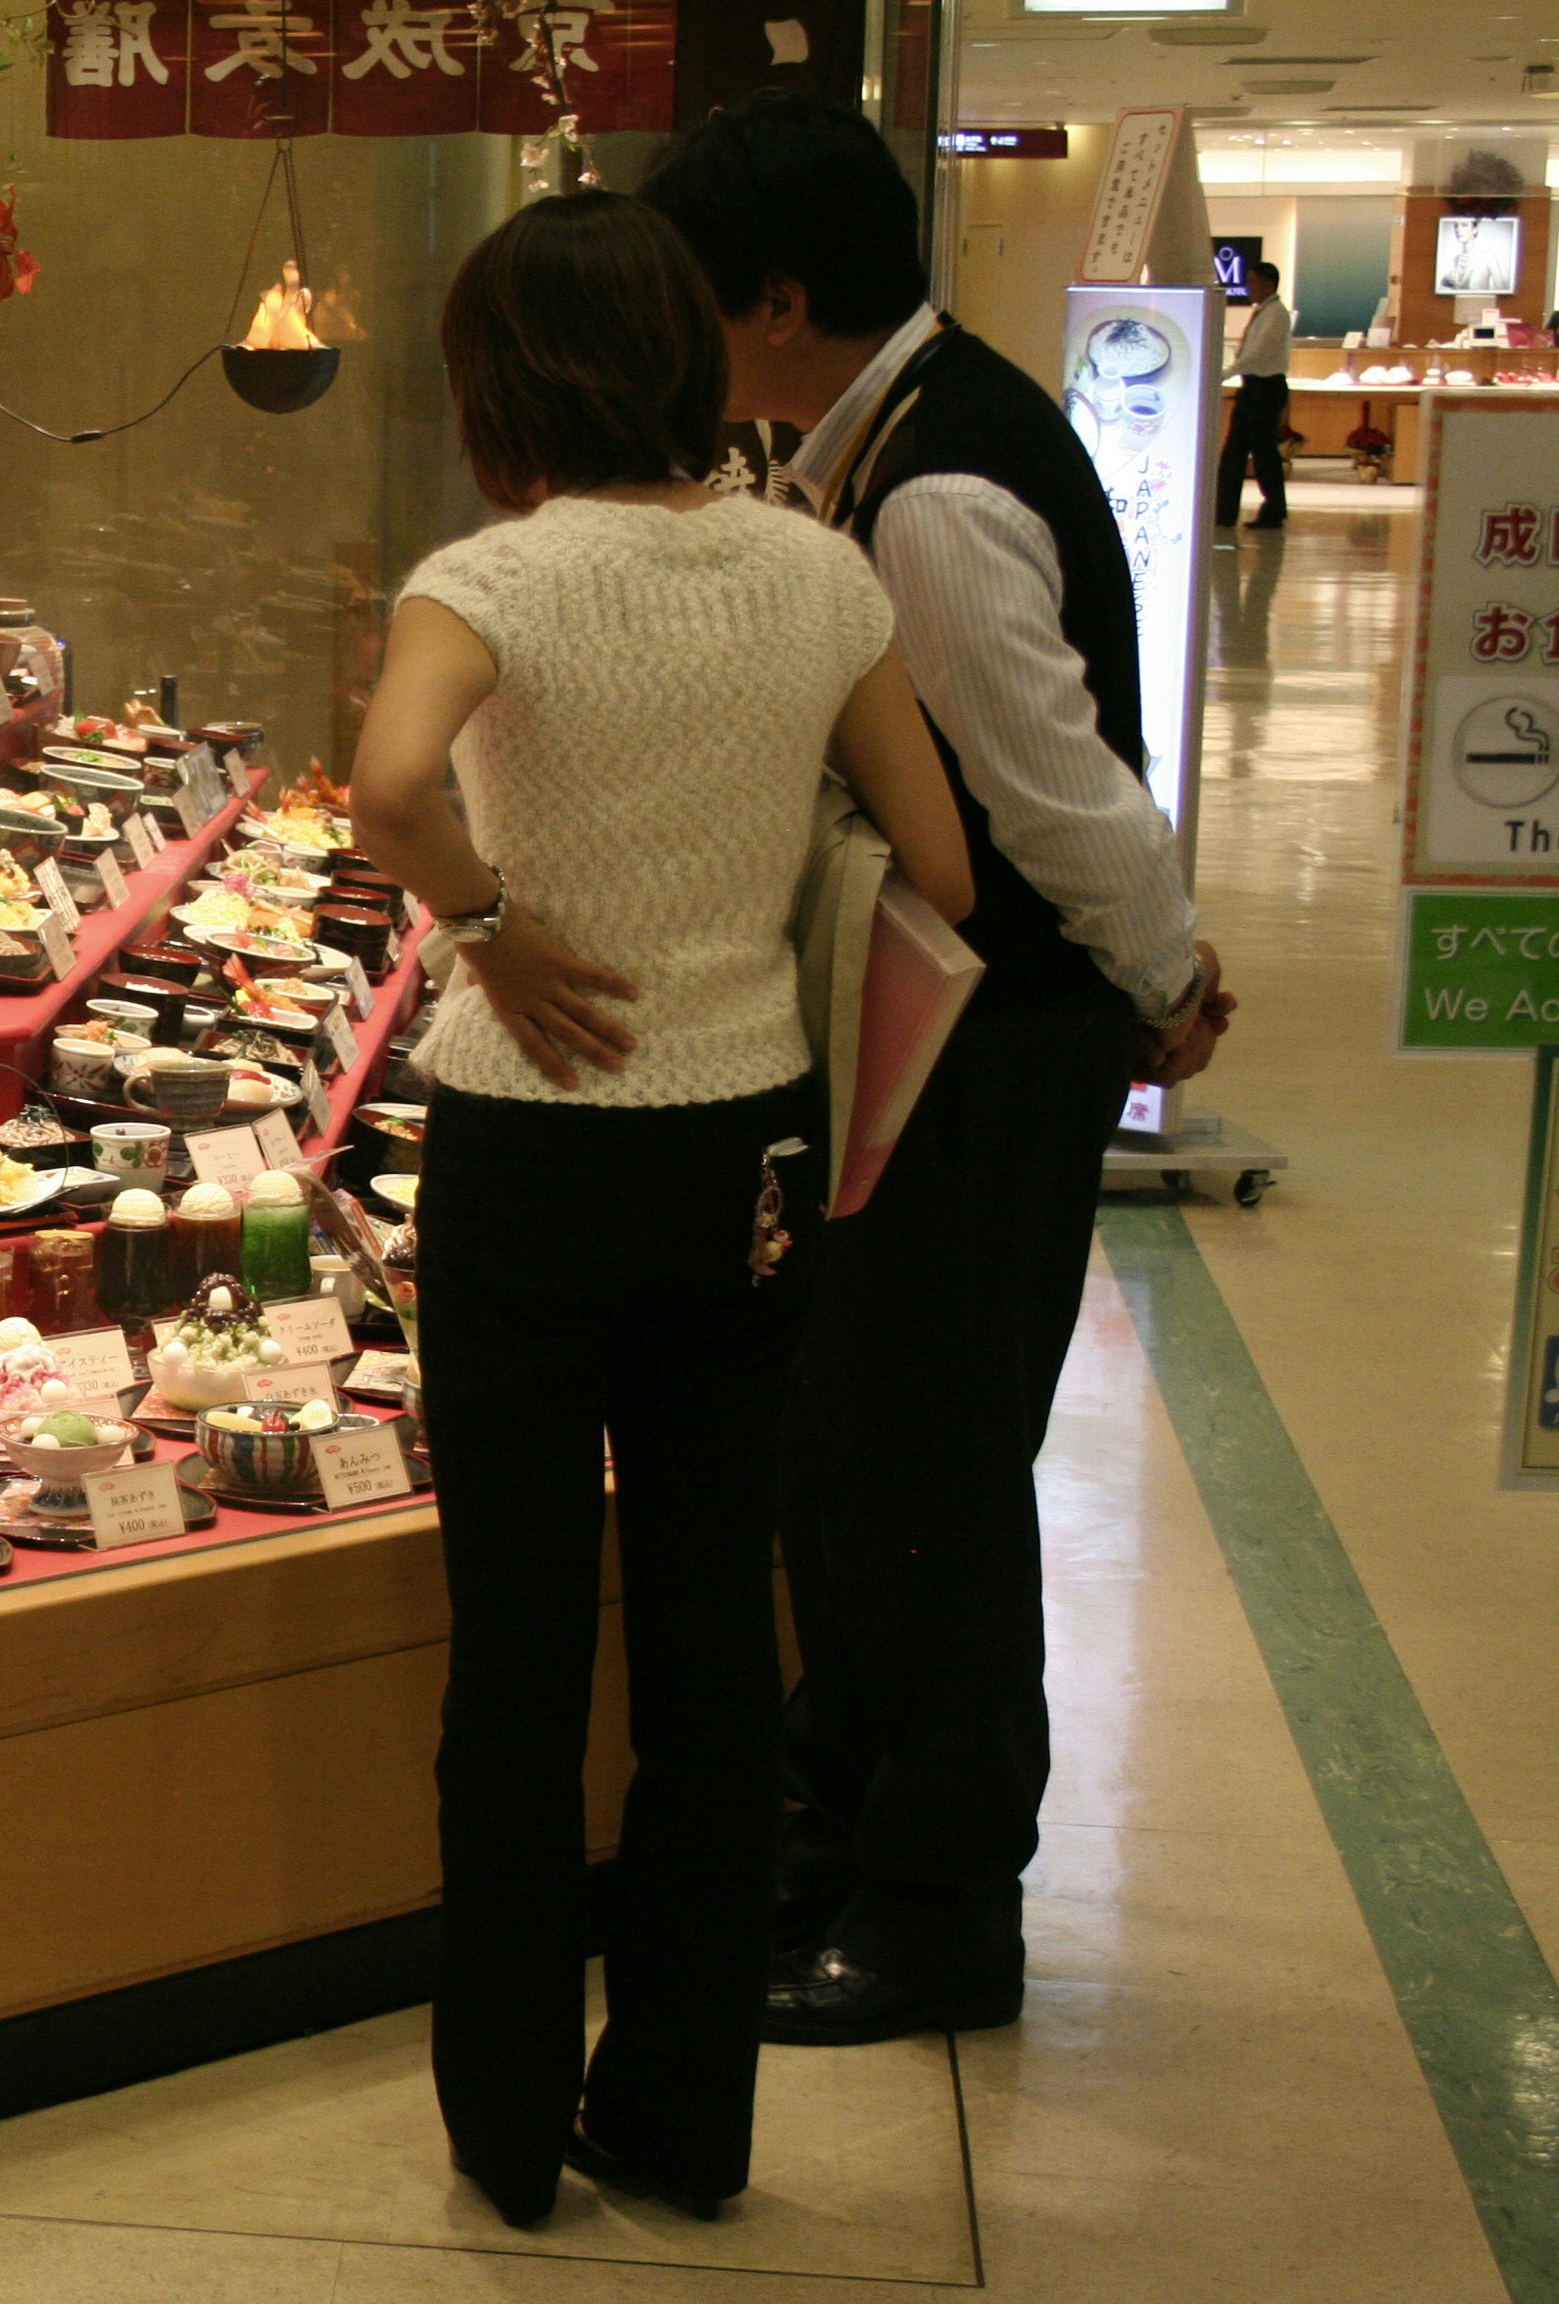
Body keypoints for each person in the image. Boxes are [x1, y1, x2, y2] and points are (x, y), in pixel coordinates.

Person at [347, 190, 973, 2229]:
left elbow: (388, 788)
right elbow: (943, 865)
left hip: (529, 1140)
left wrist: (493, 927)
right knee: (713, 1648)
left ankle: (509, 2121)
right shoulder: (816, 573)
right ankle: (687, 2121)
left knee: (518, 1647)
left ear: (501, 382)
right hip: (746, 1148)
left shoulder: (486, 579)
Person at [641, 92, 1237, 2051]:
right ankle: (841, 1824)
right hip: (936, 1025)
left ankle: (940, 1906)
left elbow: (1058, 792)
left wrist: (1164, 975)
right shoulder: (881, 437)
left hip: (986, 1039)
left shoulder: (936, 490)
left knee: (930, 1466)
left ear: (776, 301)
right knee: (854, 1443)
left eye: (693, 300)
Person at [1217, 258, 1296, 531]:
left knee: (1263, 453)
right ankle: (1224, 511)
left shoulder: (1276, 314)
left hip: (1266, 388)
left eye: (1252, 282)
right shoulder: (1264, 311)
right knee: (1235, 451)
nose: (1248, 287)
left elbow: (1258, 353)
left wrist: (1226, 373)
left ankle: (1273, 511)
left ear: (1268, 284)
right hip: (1253, 388)